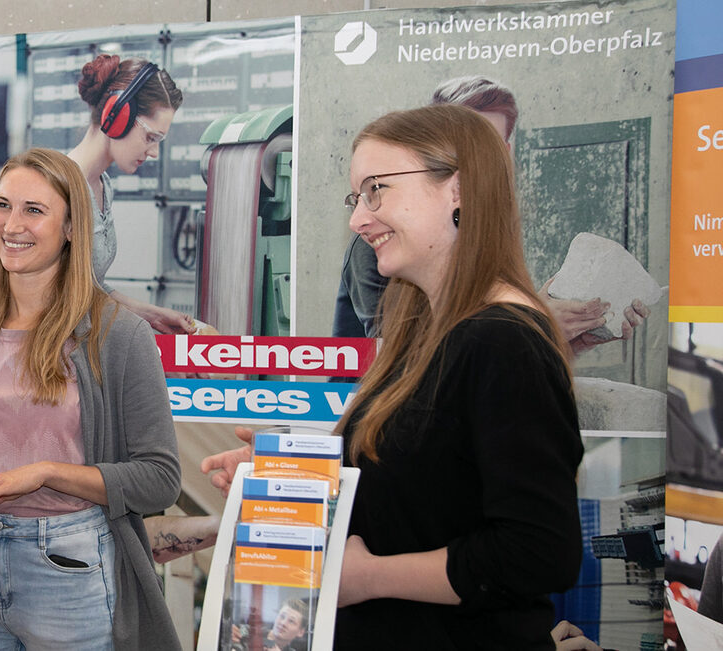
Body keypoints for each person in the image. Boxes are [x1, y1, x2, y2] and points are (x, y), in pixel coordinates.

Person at [206, 104, 583, 648]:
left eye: (377, 189)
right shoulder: (424, 332)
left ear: (458, 190)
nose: (359, 220)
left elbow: (538, 551)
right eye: (356, 196)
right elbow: (427, 485)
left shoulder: (502, 341)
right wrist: (293, 475)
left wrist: (365, 578)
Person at [0, 148, 182, 651]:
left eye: (34, 210)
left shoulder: (120, 337)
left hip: (70, 570)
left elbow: (160, 479)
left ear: (72, 228)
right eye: (3, 204)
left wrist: (45, 472)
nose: (12, 224)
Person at [331, 74, 648, 350]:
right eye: (464, 147)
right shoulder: (381, 243)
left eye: (491, 147)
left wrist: (564, 340)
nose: (478, 164)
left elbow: (491, 377)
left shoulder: (481, 238)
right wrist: (533, 324)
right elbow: (405, 363)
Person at [66, 54, 196, 335]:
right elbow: (58, 297)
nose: (153, 152)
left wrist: (152, 315)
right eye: (151, 137)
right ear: (117, 115)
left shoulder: (102, 185)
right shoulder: (60, 187)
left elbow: (89, 288)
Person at [230, 598, 309, 651]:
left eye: (291, 621)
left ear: (300, 632)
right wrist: (226, 634)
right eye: (282, 616)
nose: (283, 623)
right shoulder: (249, 632)